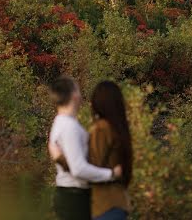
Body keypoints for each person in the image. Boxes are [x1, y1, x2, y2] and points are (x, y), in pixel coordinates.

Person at [49, 76, 122, 220]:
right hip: (74, 196)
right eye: (78, 89)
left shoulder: (63, 123)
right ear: (74, 95)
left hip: (72, 195)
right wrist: (111, 174)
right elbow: (78, 169)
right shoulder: (69, 127)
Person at [88, 81, 133, 220]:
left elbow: (92, 167)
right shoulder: (119, 129)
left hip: (104, 204)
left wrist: (61, 156)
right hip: (119, 201)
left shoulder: (101, 128)